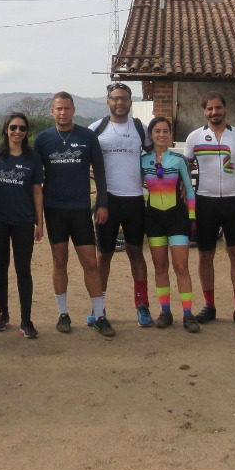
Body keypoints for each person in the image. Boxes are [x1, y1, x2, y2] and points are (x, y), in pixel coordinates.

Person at [183, 91, 235, 329]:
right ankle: (209, 306)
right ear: (204, 112)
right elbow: (184, 170)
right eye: (209, 109)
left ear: (225, 109)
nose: (214, 112)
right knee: (205, 255)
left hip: (232, 202)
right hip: (205, 202)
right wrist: (185, 203)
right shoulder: (195, 137)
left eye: (218, 107)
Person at [33, 92, 113, 336]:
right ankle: (63, 314)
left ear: (73, 109)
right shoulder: (43, 139)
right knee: (59, 261)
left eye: (67, 108)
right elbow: (34, 180)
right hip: (54, 210)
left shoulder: (87, 136)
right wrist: (37, 218)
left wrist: (102, 203)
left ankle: (99, 315)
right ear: (52, 111)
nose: (63, 112)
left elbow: (100, 172)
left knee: (90, 263)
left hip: (80, 210)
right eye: (58, 108)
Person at [88, 82, 153, 327]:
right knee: (103, 255)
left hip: (135, 199)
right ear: (108, 101)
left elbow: (154, 153)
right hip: (107, 200)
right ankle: (98, 308)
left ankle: (142, 306)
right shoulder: (96, 128)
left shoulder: (139, 128)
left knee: (136, 252)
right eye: (115, 98)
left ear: (130, 102)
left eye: (124, 98)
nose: (119, 102)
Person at [0, 112, 45, 339]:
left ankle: (26, 320)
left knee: (23, 269)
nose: (17, 132)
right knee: (0, 267)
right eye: (13, 128)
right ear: (6, 130)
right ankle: (3, 314)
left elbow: (37, 190)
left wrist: (40, 221)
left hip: (23, 220)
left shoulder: (33, 157)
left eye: (22, 128)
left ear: (27, 132)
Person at [141, 116, 200, 333]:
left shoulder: (178, 159)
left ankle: (188, 313)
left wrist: (192, 217)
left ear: (170, 134)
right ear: (151, 135)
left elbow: (190, 190)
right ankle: (165, 311)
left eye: (165, 131)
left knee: (181, 267)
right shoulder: (143, 161)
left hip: (177, 218)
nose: (161, 135)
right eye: (157, 131)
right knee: (160, 266)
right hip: (154, 218)